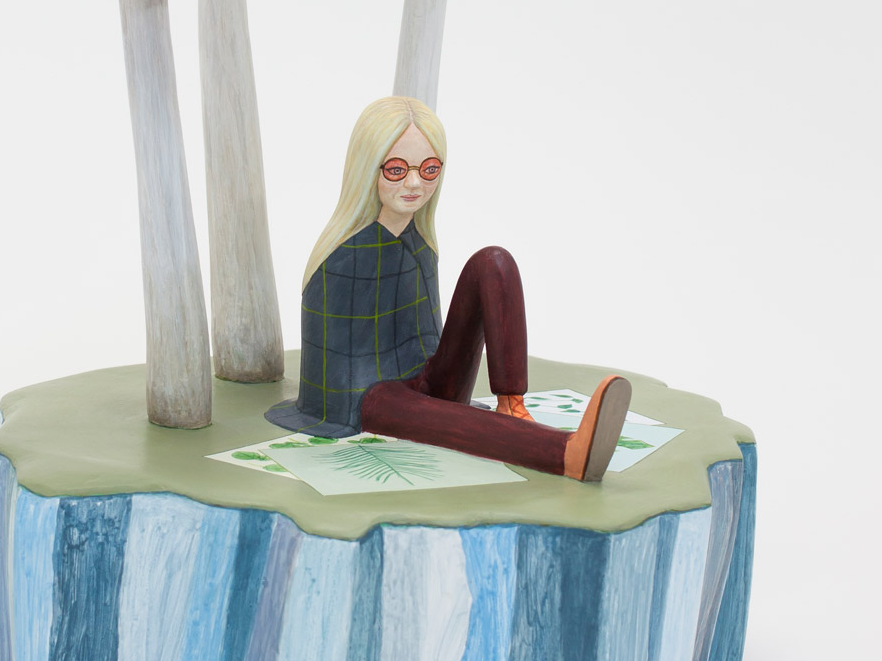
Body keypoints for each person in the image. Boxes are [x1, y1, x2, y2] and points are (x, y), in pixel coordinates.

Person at [265, 95, 630, 481]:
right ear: (368, 169)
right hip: (366, 400)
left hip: (427, 379)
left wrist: (439, 384)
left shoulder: (420, 243)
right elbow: (335, 382)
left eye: (429, 169)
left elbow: (429, 337)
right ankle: (565, 452)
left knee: (493, 261)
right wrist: (413, 406)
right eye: (396, 170)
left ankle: (512, 404)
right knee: (449, 421)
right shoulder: (342, 259)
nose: (414, 183)